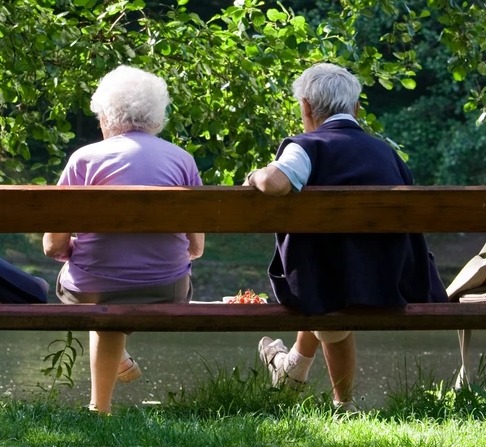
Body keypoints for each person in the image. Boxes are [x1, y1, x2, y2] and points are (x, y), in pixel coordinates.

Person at [244, 63, 447, 412]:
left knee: (323, 277)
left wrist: (255, 174)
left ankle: (340, 401)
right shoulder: (388, 154)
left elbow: (275, 184)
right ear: (355, 109)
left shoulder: (307, 147)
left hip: (328, 284)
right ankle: (296, 371)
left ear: (306, 107)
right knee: (332, 263)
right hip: (389, 280)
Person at [42, 65, 204, 414]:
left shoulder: (83, 159)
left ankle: (99, 407)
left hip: (91, 288)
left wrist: (72, 251)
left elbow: (53, 245)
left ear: (107, 116)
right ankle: (106, 387)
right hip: (167, 289)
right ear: (156, 116)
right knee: (113, 287)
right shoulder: (183, 160)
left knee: (100, 287)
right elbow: (197, 246)